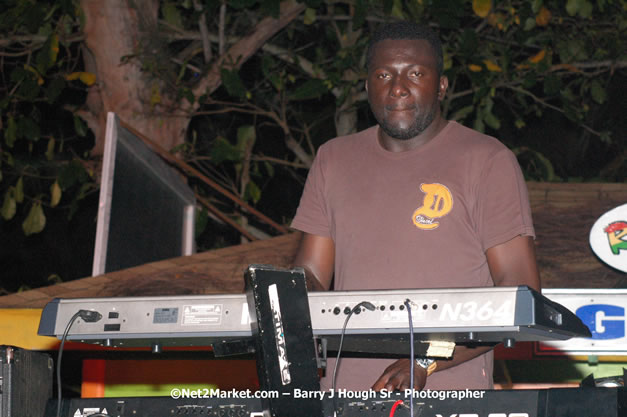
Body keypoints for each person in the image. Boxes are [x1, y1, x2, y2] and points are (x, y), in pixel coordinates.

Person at [290, 21, 540, 392]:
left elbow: (520, 290)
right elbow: (309, 273)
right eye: (384, 74)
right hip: (344, 397)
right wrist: (283, 297)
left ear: (441, 86)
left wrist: (425, 360)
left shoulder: (486, 160)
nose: (398, 88)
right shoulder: (334, 159)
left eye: (416, 73)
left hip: (448, 396)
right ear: (367, 86)